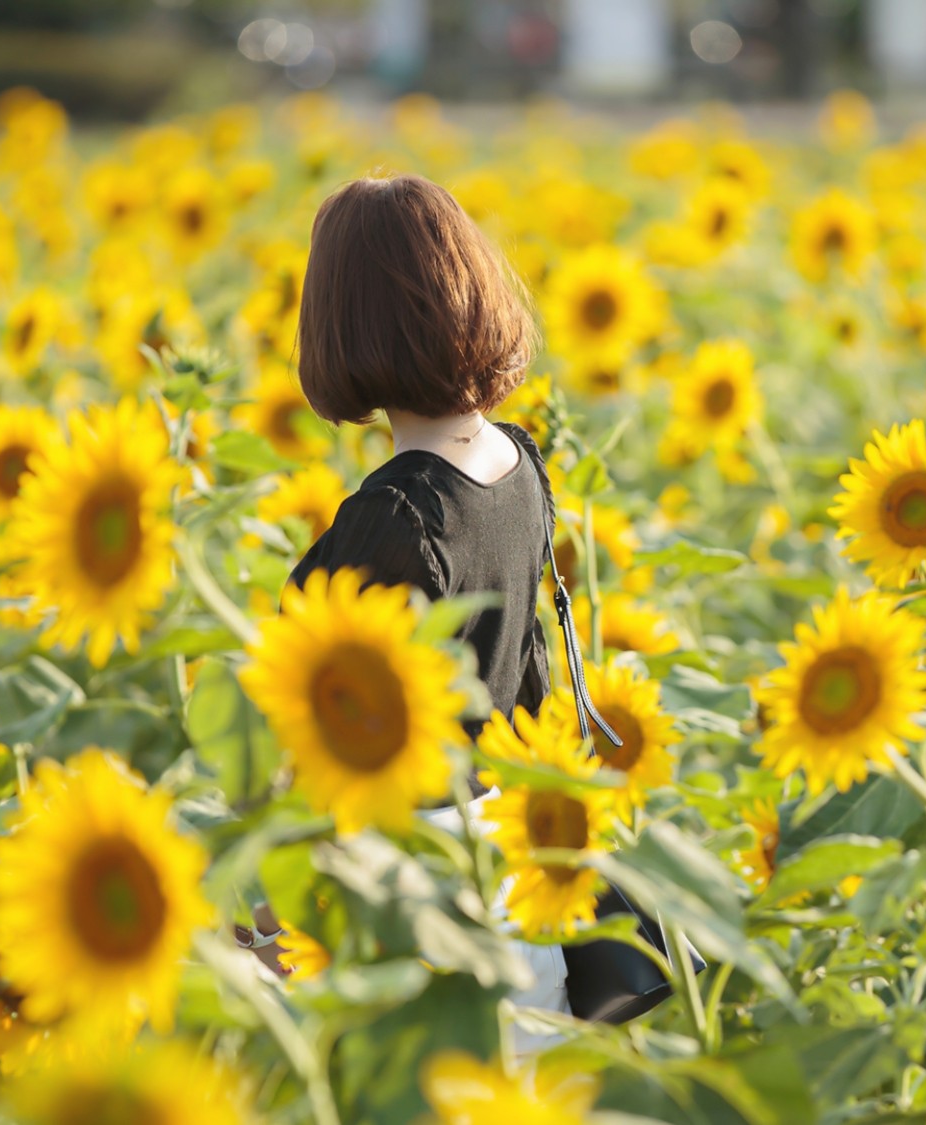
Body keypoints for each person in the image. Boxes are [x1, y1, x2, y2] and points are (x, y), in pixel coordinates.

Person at [237, 173, 570, 1041]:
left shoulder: (397, 519)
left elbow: (341, 744)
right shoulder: (519, 465)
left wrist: (278, 909)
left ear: (342, 328)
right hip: (515, 868)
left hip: (410, 898)